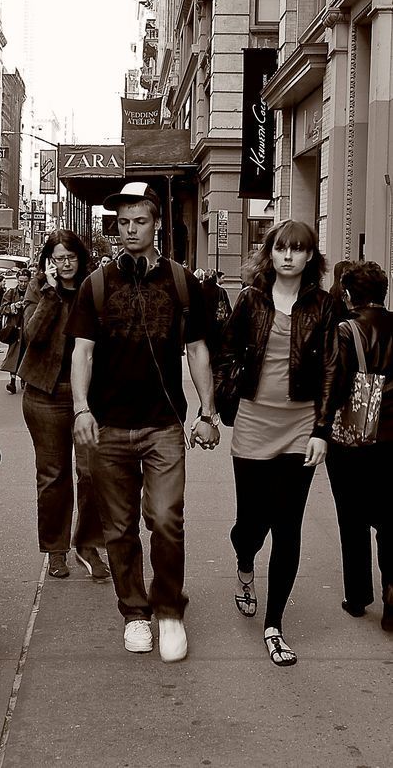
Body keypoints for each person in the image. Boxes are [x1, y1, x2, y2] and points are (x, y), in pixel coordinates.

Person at [67, 182, 219, 663]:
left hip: (163, 426)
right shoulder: (96, 284)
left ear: (157, 226)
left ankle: (169, 609)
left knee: (168, 520)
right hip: (109, 427)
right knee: (120, 527)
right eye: (122, 223)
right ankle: (134, 613)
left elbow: (197, 350)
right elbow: (82, 353)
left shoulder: (179, 282)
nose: (129, 231)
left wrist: (208, 412)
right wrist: (81, 409)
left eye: (139, 222)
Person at [215, 219, 337, 667]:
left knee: (288, 526)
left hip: (300, 425)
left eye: (298, 249)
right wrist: (226, 395)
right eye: (281, 248)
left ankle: (274, 625)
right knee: (251, 523)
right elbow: (227, 351)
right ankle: (244, 562)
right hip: (253, 422)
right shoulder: (250, 300)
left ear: (310, 257)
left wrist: (322, 431)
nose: (288, 256)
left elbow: (330, 370)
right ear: (271, 254)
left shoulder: (325, 305)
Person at [18, 230, 109, 581]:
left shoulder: (95, 287)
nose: (65, 264)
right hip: (46, 393)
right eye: (58, 258)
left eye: (70, 257)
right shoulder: (39, 288)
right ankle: (56, 549)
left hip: (88, 394)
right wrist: (51, 294)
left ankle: (87, 543)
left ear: (80, 258)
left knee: (90, 473)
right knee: (53, 476)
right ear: (49, 261)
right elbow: (33, 335)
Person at [326, 261, 393, 632]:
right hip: (392, 438)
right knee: (391, 519)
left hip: (355, 438)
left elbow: (335, 385)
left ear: (349, 295)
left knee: (352, 517)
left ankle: (357, 596)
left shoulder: (346, 331)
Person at [1, 268, 31, 394]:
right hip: (14, 329)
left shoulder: (33, 292)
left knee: (26, 355)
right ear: (17, 280)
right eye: (21, 281)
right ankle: (12, 381)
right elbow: (2, 308)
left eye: (25, 281)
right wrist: (14, 306)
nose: (23, 284)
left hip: (28, 328)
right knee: (14, 355)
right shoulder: (11, 293)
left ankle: (24, 378)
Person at [201, 269, 231, 357]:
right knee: (216, 350)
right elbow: (228, 309)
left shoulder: (198, 289)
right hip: (217, 325)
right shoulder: (221, 291)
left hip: (202, 326)